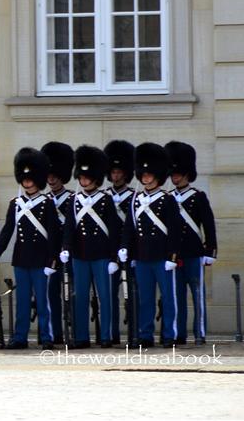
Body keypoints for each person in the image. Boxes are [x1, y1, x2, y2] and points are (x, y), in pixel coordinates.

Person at [0, 148, 59, 350]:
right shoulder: (16, 204)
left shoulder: (47, 203)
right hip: (21, 259)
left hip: (41, 260)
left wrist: (52, 260)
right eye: (25, 178)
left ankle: (46, 336)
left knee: (43, 302)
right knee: (22, 302)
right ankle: (20, 336)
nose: (27, 181)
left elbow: (54, 234)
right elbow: (8, 230)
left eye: (31, 178)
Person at [120, 143, 181, 348]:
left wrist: (172, 257)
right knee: (145, 299)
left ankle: (168, 334)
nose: (146, 177)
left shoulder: (167, 199)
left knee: (168, 298)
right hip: (143, 257)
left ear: (157, 175)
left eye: (149, 174)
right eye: (143, 174)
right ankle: (145, 334)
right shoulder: (136, 200)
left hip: (162, 257)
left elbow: (174, 230)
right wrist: (125, 248)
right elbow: (129, 227)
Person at [60, 145, 120, 349]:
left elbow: (113, 229)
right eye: (81, 177)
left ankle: (106, 335)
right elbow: (69, 227)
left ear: (95, 178)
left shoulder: (105, 200)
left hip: (101, 255)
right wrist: (66, 247)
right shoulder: (74, 200)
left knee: (105, 297)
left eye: (87, 177)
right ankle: (81, 336)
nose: (83, 180)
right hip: (80, 255)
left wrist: (114, 257)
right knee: (80, 298)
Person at [166, 140, 216, 346]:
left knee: (197, 295)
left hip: (194, 252)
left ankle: (200, 332)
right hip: (174, 255)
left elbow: (209, 224)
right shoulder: (167, 198)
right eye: (173, 173)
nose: (175, 177)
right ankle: (179, 334)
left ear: (187, 174)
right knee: (176, 298)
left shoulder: (197, 197)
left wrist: (210, 250)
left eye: (178, 173)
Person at [42, 141, 74, 345]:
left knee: (71, 295)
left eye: (55, 175)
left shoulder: (72, 198)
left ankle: (75, 332)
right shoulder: (44, 200)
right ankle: (56, 332)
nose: (52, 179)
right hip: (50, 254)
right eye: (49, 175)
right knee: (51, 296)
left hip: (70, 252)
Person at [104, 139, 136, 345]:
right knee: (109, 296)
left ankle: (135, 333)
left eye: (119, 172)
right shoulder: (104, 196)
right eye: (113, 172)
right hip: (109, 251)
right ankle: (112, 333)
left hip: (131, 250)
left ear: (125, 174)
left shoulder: (134, 196)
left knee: (133, 294)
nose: (116, 176)